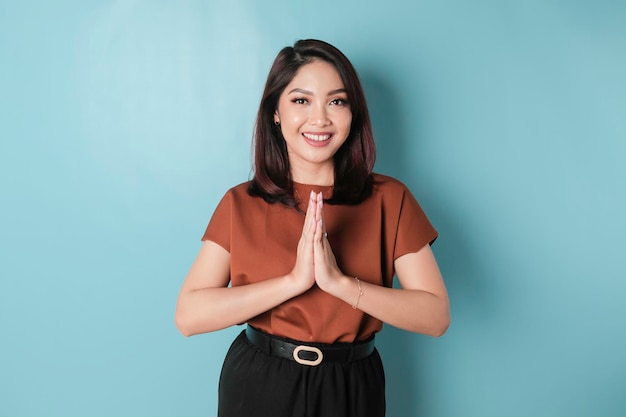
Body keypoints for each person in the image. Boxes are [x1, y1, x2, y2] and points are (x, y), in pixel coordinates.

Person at [175, 39, 450, 417]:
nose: (320, 119)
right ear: (275, 111)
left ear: (353, 113)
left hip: (352, 385)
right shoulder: (241, 202)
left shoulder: (390, 198)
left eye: (337, 101)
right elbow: (189, 315)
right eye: (301, 100)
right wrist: (293, 282)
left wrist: (338, 283)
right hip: (259, 382)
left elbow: (435, 316)